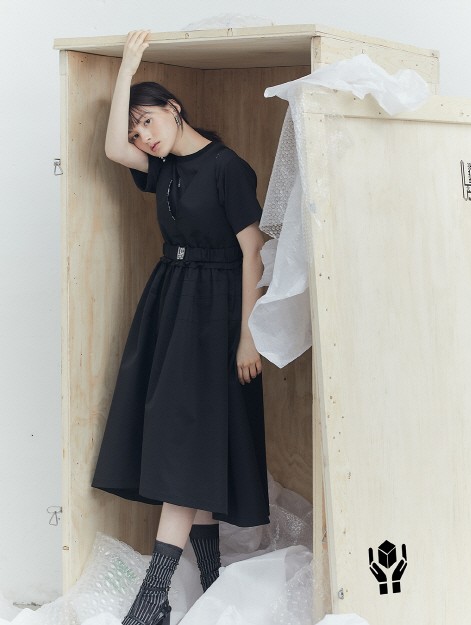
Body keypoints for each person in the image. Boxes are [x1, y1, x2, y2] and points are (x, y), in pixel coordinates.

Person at [90, 30, 270, 625]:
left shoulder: (227, 168)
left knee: (191, 448)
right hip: (172, 301)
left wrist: (248, 335)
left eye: (148, 121)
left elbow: (253, 253)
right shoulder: (162, 168)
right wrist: (126, 72)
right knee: (191, 445)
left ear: (174, 108)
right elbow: (113, 148)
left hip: (218, 310)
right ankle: (210, 585)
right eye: (136, 130)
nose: (143, 137)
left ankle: (152, 599)